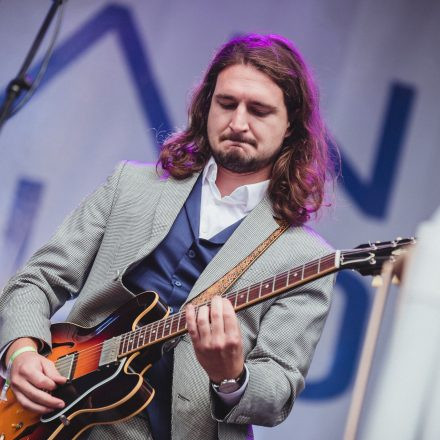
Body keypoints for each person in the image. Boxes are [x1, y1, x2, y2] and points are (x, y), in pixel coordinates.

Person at [0, 34, 337, 439]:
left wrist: (232, 377)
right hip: (59, 423)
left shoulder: (305, 257)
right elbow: (34, 281)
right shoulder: (131, 185)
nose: (238, 122)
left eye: (260, 111)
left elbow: (279, 389)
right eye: (226, 103)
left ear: (291, 127)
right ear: (206, 105)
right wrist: (21, 352)